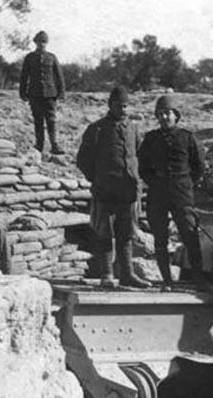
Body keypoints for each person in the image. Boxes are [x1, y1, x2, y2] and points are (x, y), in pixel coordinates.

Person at [138, 96, 213, 292]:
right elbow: (143, 167)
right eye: (160, 114)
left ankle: (199, 280)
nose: (164, 117)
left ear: (176, 115)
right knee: (160, 238)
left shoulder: (187, 137)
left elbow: (198, 166)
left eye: (168, 113)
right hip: (158, 194)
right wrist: (156, 181)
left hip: (182, 193)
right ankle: (167, 281)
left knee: (190, 234)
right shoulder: (151, 139)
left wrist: (185, 183)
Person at [76, 86, 151, 289]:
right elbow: (83, 159)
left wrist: (138, 180)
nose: (123, 110)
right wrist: (97, 179)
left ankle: (127, 274)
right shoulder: (97, 129)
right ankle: (107, 275)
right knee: (104, 232)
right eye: (119, 106)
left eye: (125, 106)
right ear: (110, 105)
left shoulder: (133, 129)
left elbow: (142, 157)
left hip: (128, 191)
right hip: (105, 191)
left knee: (126, 233)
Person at [19, 30, 66, 154]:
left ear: (47, 43)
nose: (42, 44)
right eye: (40, 41)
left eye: (44, 42)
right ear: (35, 42)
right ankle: (39, 145)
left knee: (51, 120)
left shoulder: (52, 57)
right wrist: (22, 92)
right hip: (35, 94)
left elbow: (59, 75)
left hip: (50, 94)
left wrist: (61, 92)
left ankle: (54, 145)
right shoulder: (30, 58)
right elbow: (24, 76)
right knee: (38, 120)